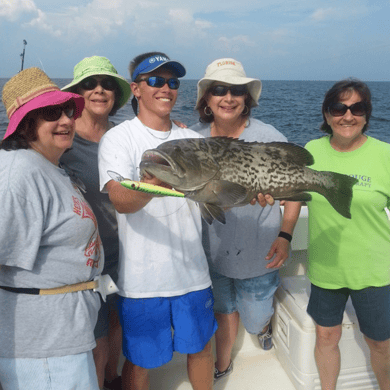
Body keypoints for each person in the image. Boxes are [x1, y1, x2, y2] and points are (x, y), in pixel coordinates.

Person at [98, 52, 218, 390]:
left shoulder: (195, 140)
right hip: (142, 281)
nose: (165, 88)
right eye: (154, 80)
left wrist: (254, 193)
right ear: (136, 89)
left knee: (201, 349)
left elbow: (215, 195)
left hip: (194, 274)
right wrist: (160, 183)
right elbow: (121, 201)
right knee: (139, 361)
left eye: (172, 82)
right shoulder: (119, 139)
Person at [191, 58, 300, 381]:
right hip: (212, 252)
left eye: (236, 90)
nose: (228, 97)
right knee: (224, 311)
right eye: (219, 90)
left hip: (260, 251)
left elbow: (293, 189)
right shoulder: (194, 140)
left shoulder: (267, 135)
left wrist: (285, 236)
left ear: (247, 98)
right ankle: (223, 363)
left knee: (254, 319)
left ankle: (263, 325)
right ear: (206, 100)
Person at [0, 68, 103, 389]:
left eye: (68, 110)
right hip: (42, 350)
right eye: (50, 113)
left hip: (67, 337)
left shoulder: (52, 167)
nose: (66, 120)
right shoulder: (19, 173)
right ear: (25, 124)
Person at [300, 79, 390, 390]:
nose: (347, 116)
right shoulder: (311, 150)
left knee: (381, 344)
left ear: (367, 115)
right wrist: (285, 235)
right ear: (326, 115)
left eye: (357, 108)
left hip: (374, 269)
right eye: (339, 108)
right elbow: (291, 195)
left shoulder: (385, 155)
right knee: (326, 336)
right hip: (326, 266)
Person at [61, 56, 131, 390]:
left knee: (117, 321)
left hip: (125, 251)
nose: (99, 90)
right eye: (89, 84)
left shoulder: (126, 137)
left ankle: (113, 378)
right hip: (83, 258)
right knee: (95, 331)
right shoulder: (62, 138)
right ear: (77, 93)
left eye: (106, 85)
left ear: (116, 95)